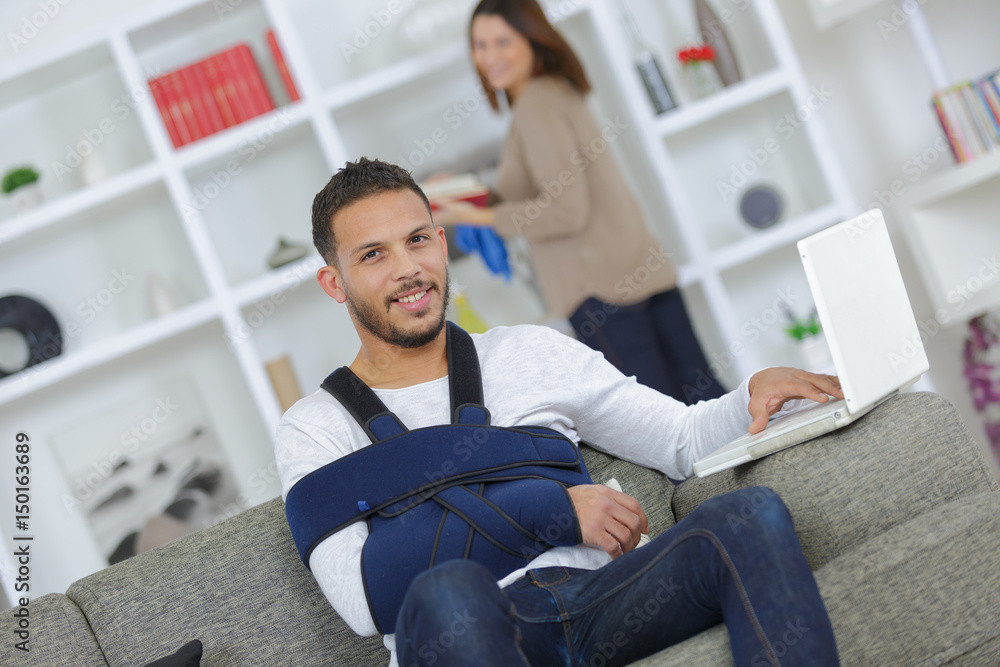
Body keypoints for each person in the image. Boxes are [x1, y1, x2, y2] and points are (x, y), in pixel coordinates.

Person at [276, 157, 843, 666]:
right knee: (449, 590)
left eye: (417, 240)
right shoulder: (315, 428)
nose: (407, 269)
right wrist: (551, 509)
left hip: (601, 601)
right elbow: (363, 598)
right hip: (463, 634)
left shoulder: (531, 351)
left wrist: (752, 395)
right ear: (335, 282)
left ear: (442, 244)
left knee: (748, 515)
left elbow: (681, 440)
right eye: (373, 255)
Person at [430, 0, 725, 405]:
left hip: (599, 289)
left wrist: (475, 215)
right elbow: (549, 191)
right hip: (639, 267)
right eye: (479, 45)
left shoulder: (535, 108)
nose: (489, 57)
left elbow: (565, 210)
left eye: (502, 42)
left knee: (660, 420)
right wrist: (470, 191)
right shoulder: (557, 92)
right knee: (705, 401)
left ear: (532, 39)